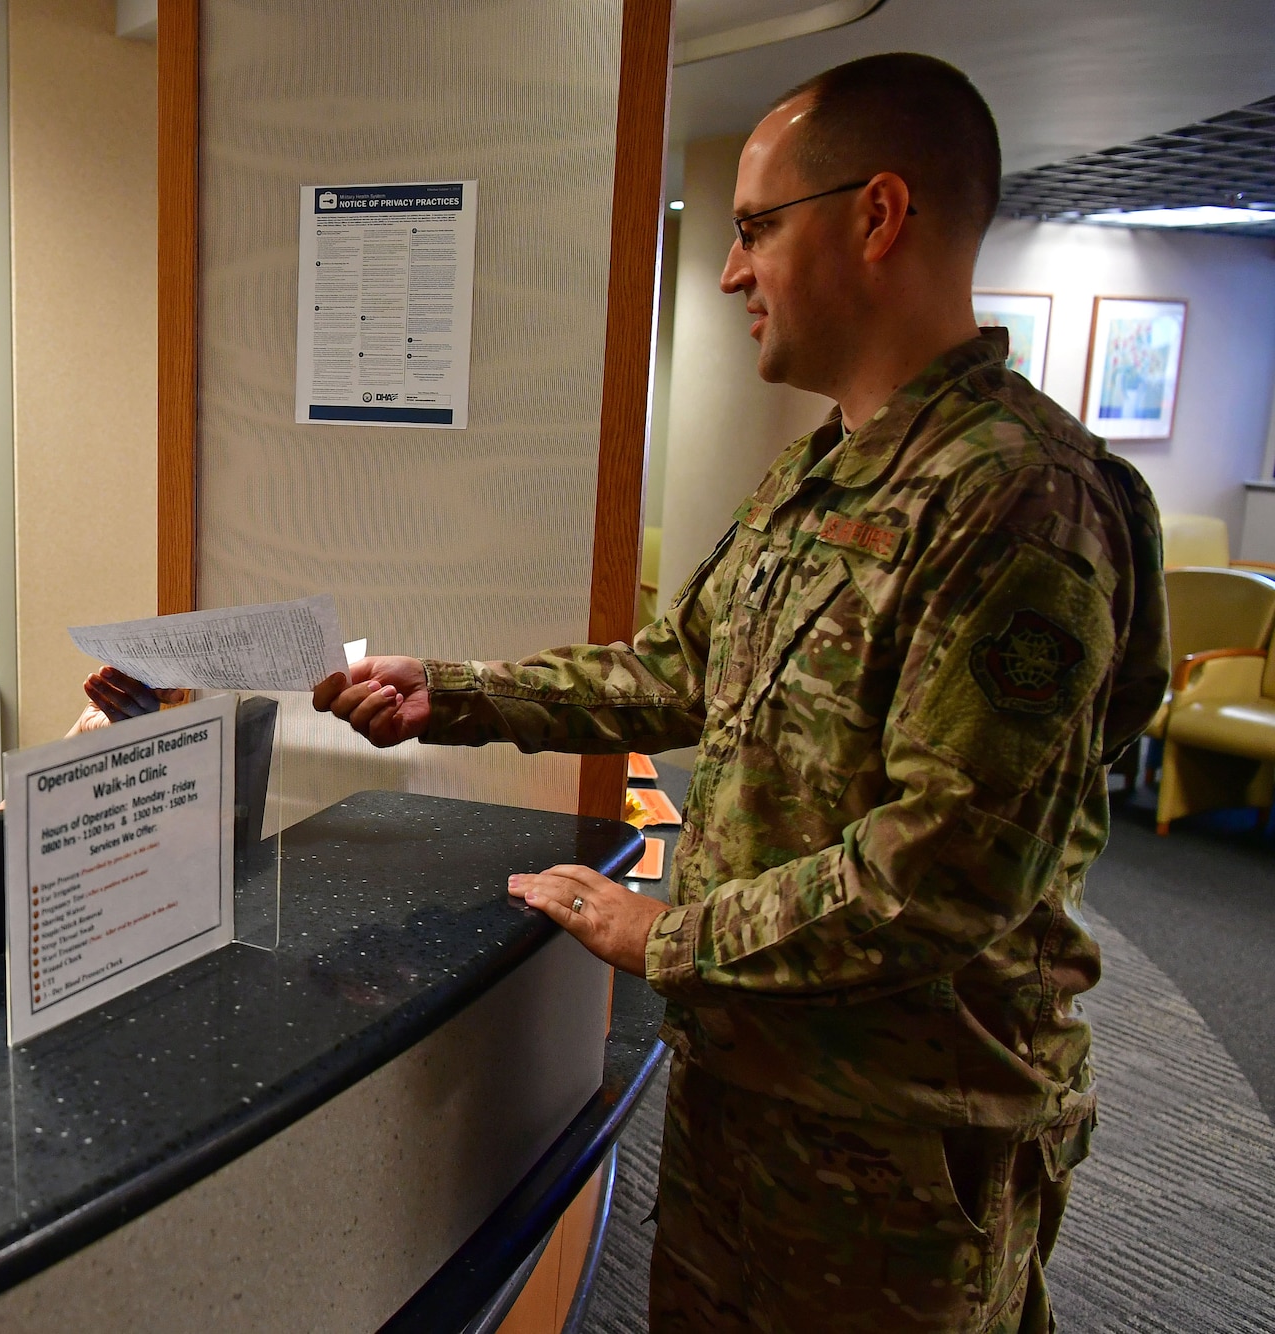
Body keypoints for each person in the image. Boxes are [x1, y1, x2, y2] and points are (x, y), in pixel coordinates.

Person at [304, 53, 1168, 1334]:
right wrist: (454, 692)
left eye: (755, 226)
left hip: (898, 1147)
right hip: (752, 1090)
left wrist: (664, 939)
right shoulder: (822, 473)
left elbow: (942, 871)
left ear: (875, 216)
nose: (727, 272)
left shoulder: (1021, 502)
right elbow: (682, 668)